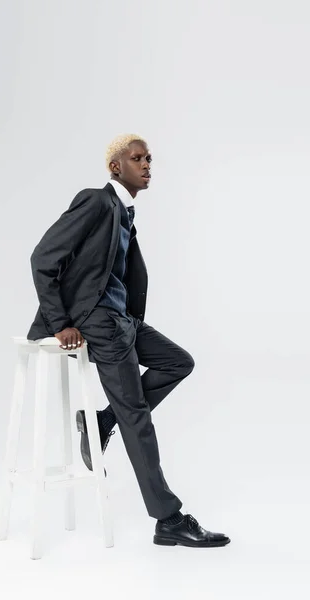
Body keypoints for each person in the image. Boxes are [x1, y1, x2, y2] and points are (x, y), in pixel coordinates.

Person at [27, 134, 230, 548]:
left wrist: (129, 319)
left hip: (122, 321)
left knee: (179, 362)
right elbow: (42, 258)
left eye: (149, 158)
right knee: (137, 413)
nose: (147, 164)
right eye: (137, 158)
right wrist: (61, 321)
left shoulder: (126, 213)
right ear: (116, 167)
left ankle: (103, 420)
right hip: (97, 322)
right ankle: (168, 519)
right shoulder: (97, 202)